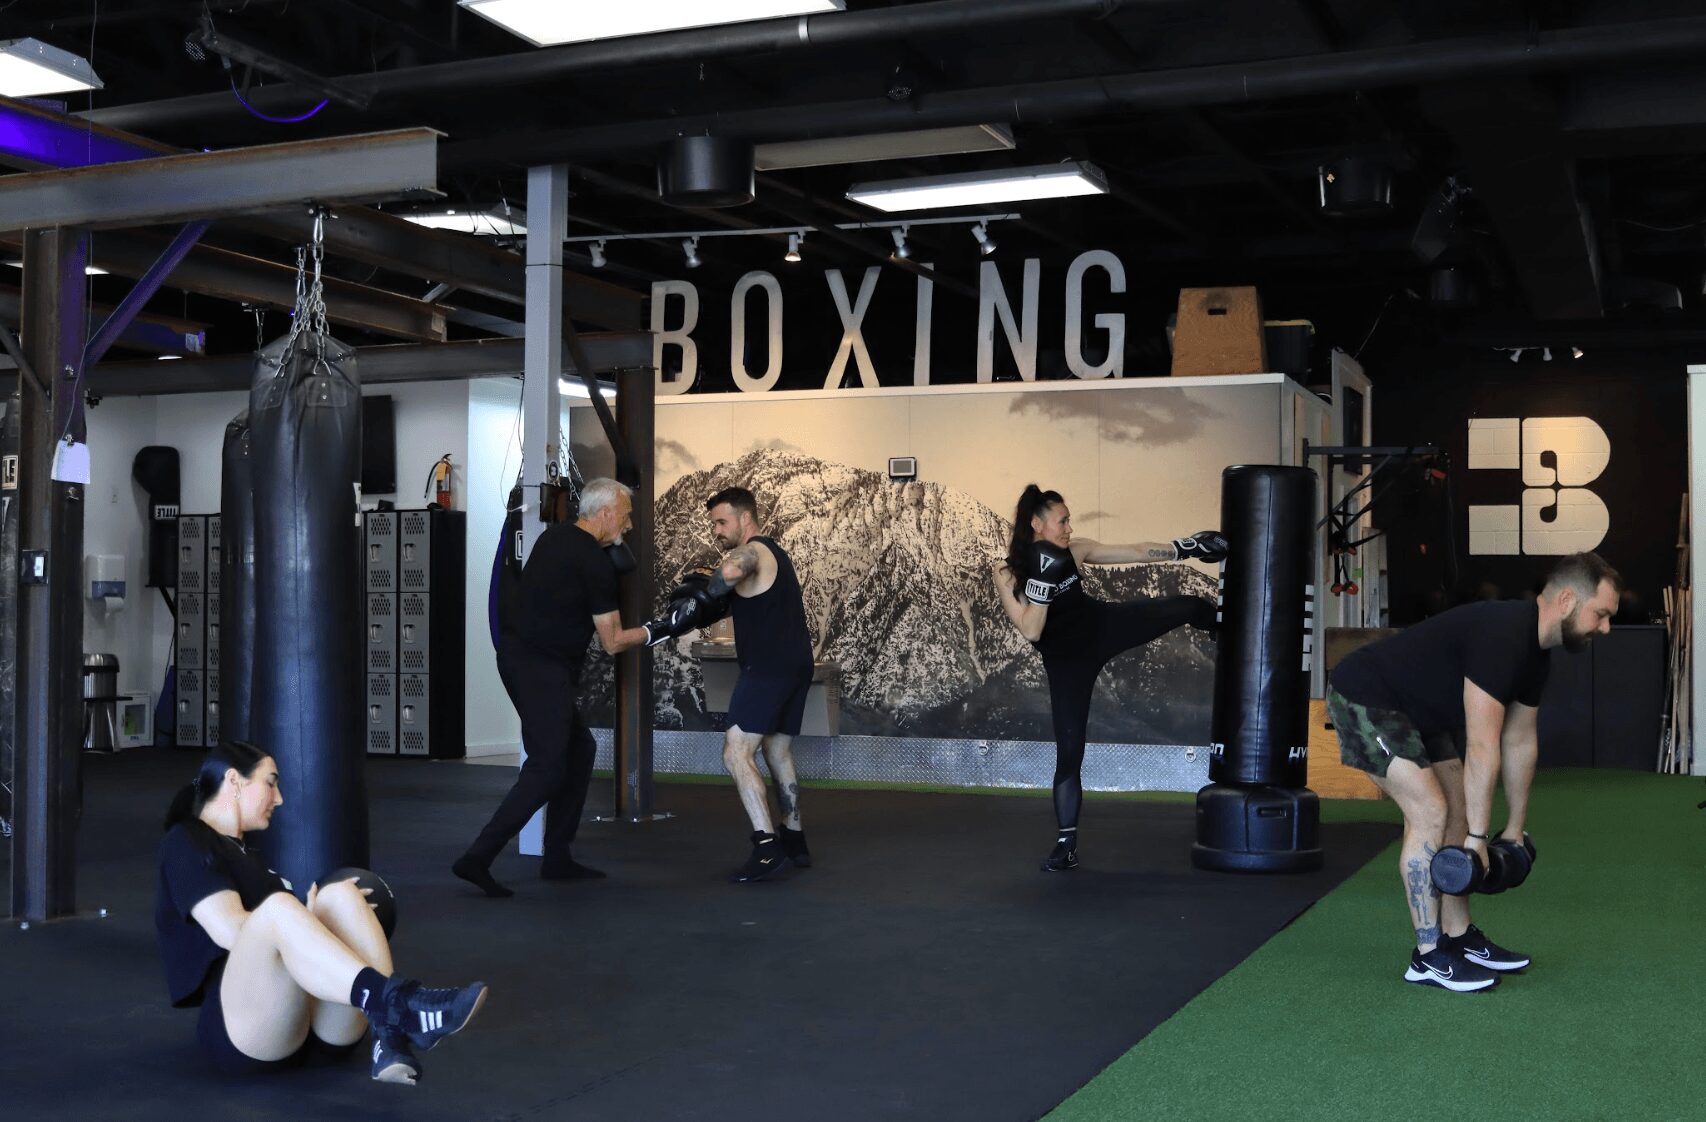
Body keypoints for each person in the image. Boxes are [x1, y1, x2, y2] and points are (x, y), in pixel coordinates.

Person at [1327, 552, 1620, 992]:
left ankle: (1459, 937)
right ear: (1566, 601)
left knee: (1459, 815)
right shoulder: (1503, 634)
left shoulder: (1537, 655)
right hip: (1365, 697)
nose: (1606, 628)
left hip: (1420, 713)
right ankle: (1428, 957)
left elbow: (1519, 743)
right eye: (1601, 614)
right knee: (1430, 811)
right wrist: (1479, 841)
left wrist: (1514, 830)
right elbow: (1483, 746)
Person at [156, 739, 487, 1084]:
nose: (279, 799)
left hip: (315, 1027)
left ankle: (388, 1037)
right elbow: (229, 931)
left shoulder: (250, 858)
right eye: (270, 783)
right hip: (247, 1032)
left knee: (340, 893)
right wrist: (292, 916)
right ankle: (396, 1004)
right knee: (278, 908)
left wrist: (317, 917)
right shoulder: (186, 841)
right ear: (234, 780)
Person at [992, 484, 1224, 872]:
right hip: (1067, 663)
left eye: (1069, 521)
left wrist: (1187, 547)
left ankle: (1225, 631)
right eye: (1062, 521)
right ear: (1036, 523)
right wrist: (1044, 582)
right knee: (1069, 755)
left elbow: (1134, 551)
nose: (1069, 528)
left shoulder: (1074, 550)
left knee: (1188, 606)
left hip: (1101, 626)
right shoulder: (1005, 573)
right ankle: (1066, 845)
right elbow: (1031, 630)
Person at [453, 477, 654, 898]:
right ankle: (477, 857)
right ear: (606, 514)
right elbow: (613, 641)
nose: (629, 525)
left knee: (579, 751)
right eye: (626, 515)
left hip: (520, 659)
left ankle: (557, 856)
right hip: (539, 668)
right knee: (547, 767)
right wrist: (658, 630)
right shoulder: (595, 564)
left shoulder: (553, 538)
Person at [694, 486, 817, 883]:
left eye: (722, 522)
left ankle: (767, 849)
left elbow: (734, 569)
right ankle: (794, 840)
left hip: (768, 669)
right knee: (776, 749)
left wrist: (707, 590)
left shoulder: (754, 552)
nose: (717, 530)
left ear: (745, 518)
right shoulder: (776, 554)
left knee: (736, 752)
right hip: (795, 664)